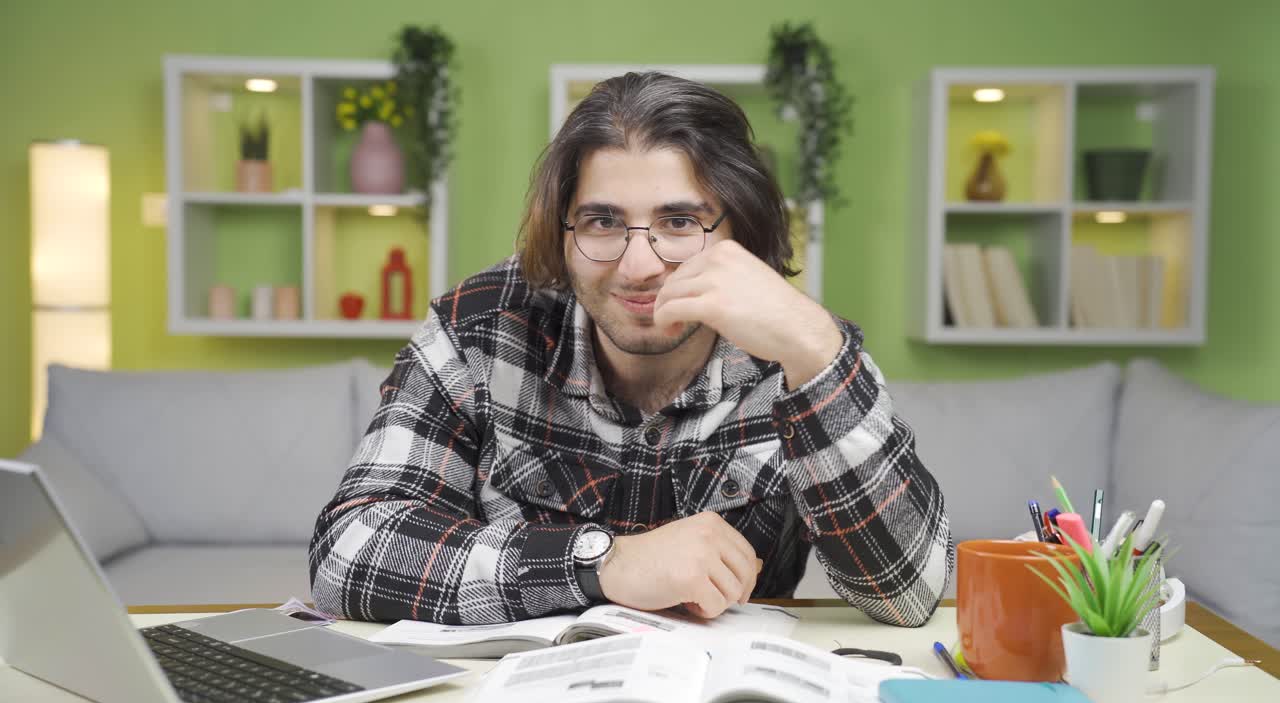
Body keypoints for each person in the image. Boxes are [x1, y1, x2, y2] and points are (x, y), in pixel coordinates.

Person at [309, 72, 953, 628]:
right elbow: (348, 552)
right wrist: (601, 563)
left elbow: (911, 593)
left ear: (743, 233)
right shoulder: (481, 328)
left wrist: (816, 352)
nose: (638, 265)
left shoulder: (801, 346)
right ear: (560, 234)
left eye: (679, 222)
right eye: (603, 221)